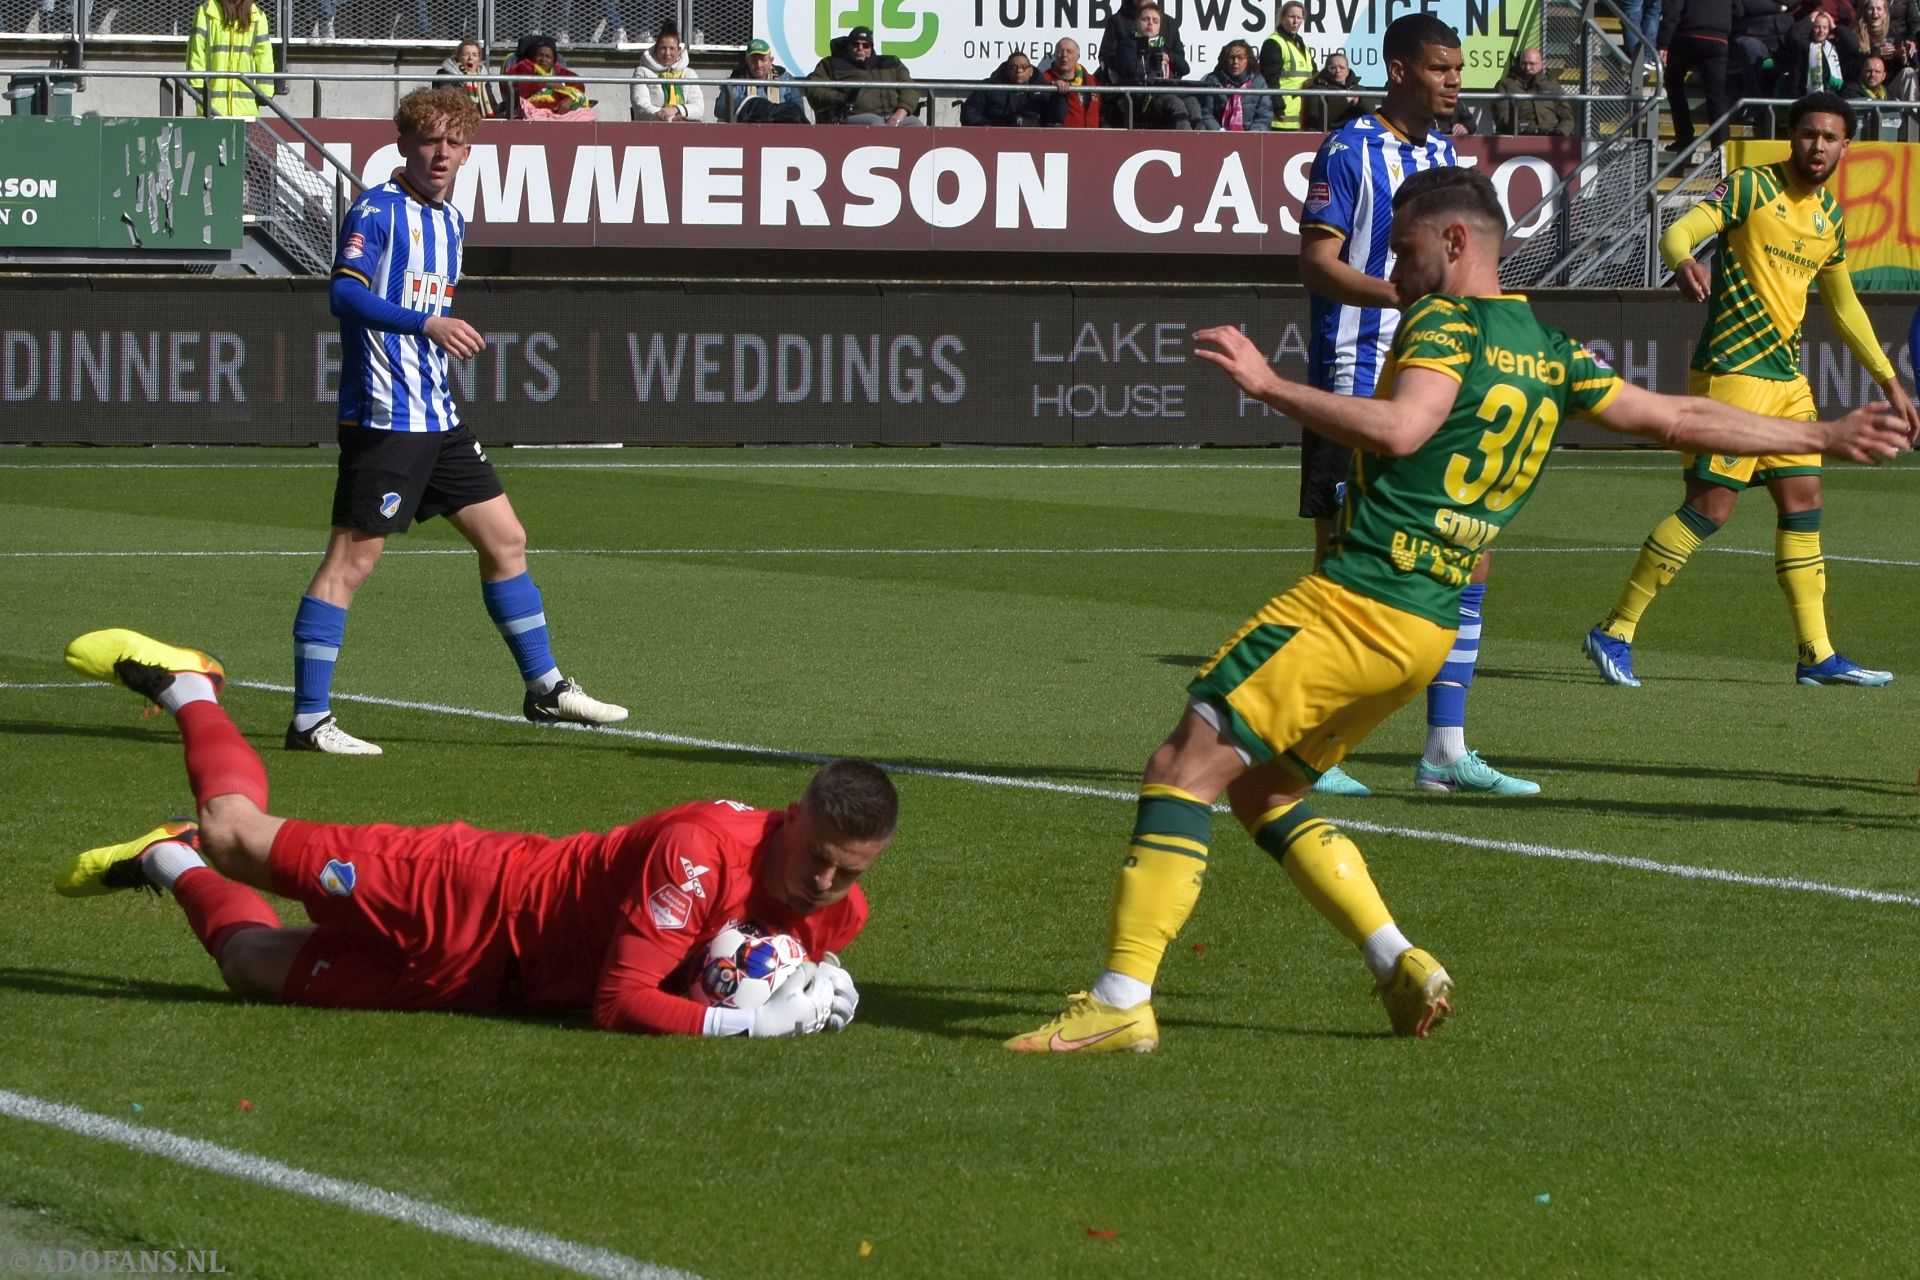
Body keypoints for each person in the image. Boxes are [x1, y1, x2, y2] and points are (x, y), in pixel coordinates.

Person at [1005, 166, 1909, 1054]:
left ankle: (1122, 999)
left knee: (1180, 765)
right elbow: (1675, 418)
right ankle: (1398, 959)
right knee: (1263, 788)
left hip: (1361, 598)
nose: (1392, 275)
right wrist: (1820, 433)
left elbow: (1404, 429)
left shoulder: (1445, 320)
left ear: (1455, 242)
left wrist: (1270, 385)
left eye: (1402, 253)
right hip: (1428, 627)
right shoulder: (1550, 350)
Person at [56, 629, 893, 1039]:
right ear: (794, 816)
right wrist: (758, 1024)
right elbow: (619, 1002)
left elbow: (753, 960)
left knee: (248, 966)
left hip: (489, 983)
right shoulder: (699, 852)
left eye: (847, 874)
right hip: (461, 888)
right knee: (235, 834)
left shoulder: (835, 911)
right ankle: (189, 687)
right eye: (818, 859)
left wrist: (819, 981)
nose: (825, 885)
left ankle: (165, 856)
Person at [292, 87, 625, 757]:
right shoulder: (377, 210)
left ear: (468, 149)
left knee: (505, 538)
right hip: (387, 419)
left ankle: (545, 687)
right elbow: (343, 294)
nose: (439, 153)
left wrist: (433, 340)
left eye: (452, 141)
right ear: (403, 145)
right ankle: (308, 720)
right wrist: (427, 323)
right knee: (350, 564)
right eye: (427, 140)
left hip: (437, 418)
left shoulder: (450, 220)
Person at [1584, 92, 1920, 688]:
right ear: (1792, 136)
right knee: (1711, 508)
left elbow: (1843, 307)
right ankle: (1615, 629)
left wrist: (1891, 383)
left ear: (1846, 146)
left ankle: (1816, 654)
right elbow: (1682, 228)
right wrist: (1682, 257)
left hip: (1787, 381)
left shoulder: (1829, 219)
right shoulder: (1748, 187)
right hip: (1732, 373)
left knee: (1804, 504)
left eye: (1831, 137)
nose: (1818, 146)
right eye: (1809, 134)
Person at [1296, 14, 1536, 798]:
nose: (1453, 81)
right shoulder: (1347, 149)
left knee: (1471, 545)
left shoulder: (1445, 158)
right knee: (1346, 562)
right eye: (1439, 69)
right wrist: (1402, 293)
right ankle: (1315, 745)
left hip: (1438, 380)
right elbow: (1317, 263)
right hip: (1356, 376)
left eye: (1458, 69)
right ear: (1399, 70)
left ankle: (1444, 748)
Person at [1099, 1, 1204, 130]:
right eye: (1145, 20)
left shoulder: (1162, 45)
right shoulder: (1128, 44)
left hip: (1166, 90)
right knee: (1175, 104)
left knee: (1192, 103)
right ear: (1136, 22)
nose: (1150, 24)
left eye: (1155, 21)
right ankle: (1186, 144)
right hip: (1144, 97)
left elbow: (1185, 68)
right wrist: (1152, 62)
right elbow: (1132, 71)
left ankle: (1202, 143)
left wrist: (1169, 58)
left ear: (1160, 26)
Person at [804, 24, 924, 126]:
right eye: (855, 44)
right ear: (848, 46)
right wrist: (842, 98)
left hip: (896, 115)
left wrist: (900, 113)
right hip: (856, 116)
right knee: (877, 125)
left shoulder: (891, 62)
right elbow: (813, 88)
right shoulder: (832, 64)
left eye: (865, 45)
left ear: (871, 48)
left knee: (917, 127)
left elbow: (910, 89)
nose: (860, 49)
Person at [1659, 0, 1737, 153]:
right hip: (1718, 38)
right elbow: (1738, 9)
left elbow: (1672, 9)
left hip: (1687, 35)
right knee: (1717, 96)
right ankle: (1721, 148)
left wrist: (1664, 42)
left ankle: (1684, 136)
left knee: (1673, 82)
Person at [185, 0, 275, 119]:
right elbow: (196, 50)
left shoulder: (257, 16)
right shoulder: (206, 11)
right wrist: (197, 86)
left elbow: (264, 57)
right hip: (211, 108)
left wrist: (265, 91)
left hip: (245, 109)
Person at [504, 34, 597, 120]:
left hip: (560, 111)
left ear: (553, 60)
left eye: (548, 56)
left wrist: (569, 100)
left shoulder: (559, 71)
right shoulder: (525, 67)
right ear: (533, 57)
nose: (543, 59)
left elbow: (579, 86)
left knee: (587, 115)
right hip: (533, 109)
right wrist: (548, 84)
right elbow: (516, 86)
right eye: (539, 55)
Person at [718, 37, 807, 123]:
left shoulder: (784, 78)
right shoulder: (736, 80)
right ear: (747, 61)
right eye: (754, 60)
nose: (758, 65)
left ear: (770, 60)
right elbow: (721, 108)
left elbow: (798, 109)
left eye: (762, 60)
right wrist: (753, 105)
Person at [631, 21, 705, 122]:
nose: (667, 53)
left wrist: (676, 109)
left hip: (685, 128)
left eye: (672, 48)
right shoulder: (641, 72)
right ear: (656, 49)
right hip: (651, 129)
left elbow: (698, 108)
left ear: (679, 51)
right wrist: (671, 118)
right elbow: (642, 107)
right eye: (663, 48)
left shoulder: (689, 74)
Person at [1260, 0, 1317, 129]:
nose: (1295, 21)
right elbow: (1270, 79)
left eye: (1299, 17)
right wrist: (1278, 107)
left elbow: (1314, 74)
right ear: (1282, 18)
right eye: (1291, 16)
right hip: (1281, 117)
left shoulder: (1302, 44)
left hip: (1302, 117)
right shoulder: (1274, 43)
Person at [1494, 47, 1577, 135]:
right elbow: (1503, 119)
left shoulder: (1551, 85)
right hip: (1520, 138)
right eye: (1524, 63)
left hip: (1551, 137)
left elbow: (1567, 118)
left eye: (1532, 64)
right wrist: (1533, 130)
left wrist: (1560, 133)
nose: (1528, 67)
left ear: (1540, 64)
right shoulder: (1506, 85)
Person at [961, 51, 1051, 127]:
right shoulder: (989, 87)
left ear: (1031, 71)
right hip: (994, 138)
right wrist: (986, 128)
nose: (1019, 71)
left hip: (1033, 139)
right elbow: (970, 110)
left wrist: (1059, 93)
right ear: (1007, 70)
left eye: (1024, 67)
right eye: (1014, 67)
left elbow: (1055, 115)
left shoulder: (1043, 90)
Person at [1199, 39, 1273, 131]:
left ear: (1248, 60)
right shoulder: (1214, 80)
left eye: (1240, 57)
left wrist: (1251, 135)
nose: (1235, 62)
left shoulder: (1259, 82)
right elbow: (1206, 113)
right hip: (1220, 136)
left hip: (1250, 137)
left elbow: (1264, 116)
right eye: (1231, 58)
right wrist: (1219, 131)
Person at [1041, 36, 1103, 127]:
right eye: (1060, 51)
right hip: (1062, 137)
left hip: (1092, 137)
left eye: (1069, 51)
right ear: (1054, 56)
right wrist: (1053, 87)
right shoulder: (1045, 79)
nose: (1064, 55)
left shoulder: (1092, 80)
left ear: (1078, 56)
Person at [435, 38, 504, 120]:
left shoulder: (483, 78)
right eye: (466, 54)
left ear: (479, 60)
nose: (470, 58)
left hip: (479, 122)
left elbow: (492, 105)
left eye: (475, 55)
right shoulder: (444, 74)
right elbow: (444, 104)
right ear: (458, 57)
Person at [1300, 52, 1368, 131]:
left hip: (1355, 135)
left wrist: (1360, 101)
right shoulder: (1316, 89)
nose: (1337, 70)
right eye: (1332, 68)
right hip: (1328, 136)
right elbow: (1315, 117)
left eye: (1342, 67)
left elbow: (1371, 113)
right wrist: (1345, 100)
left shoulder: (1359, 90)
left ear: (1347, 71)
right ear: (1326, 70)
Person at [1847, 53, 1910, 135]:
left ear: (1884, 76)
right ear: (1862, 72)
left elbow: (1901, 124)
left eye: (1877, 72)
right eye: (1868, 71)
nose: (1873, 74)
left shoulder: (1890, 96)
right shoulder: (1850, 94)